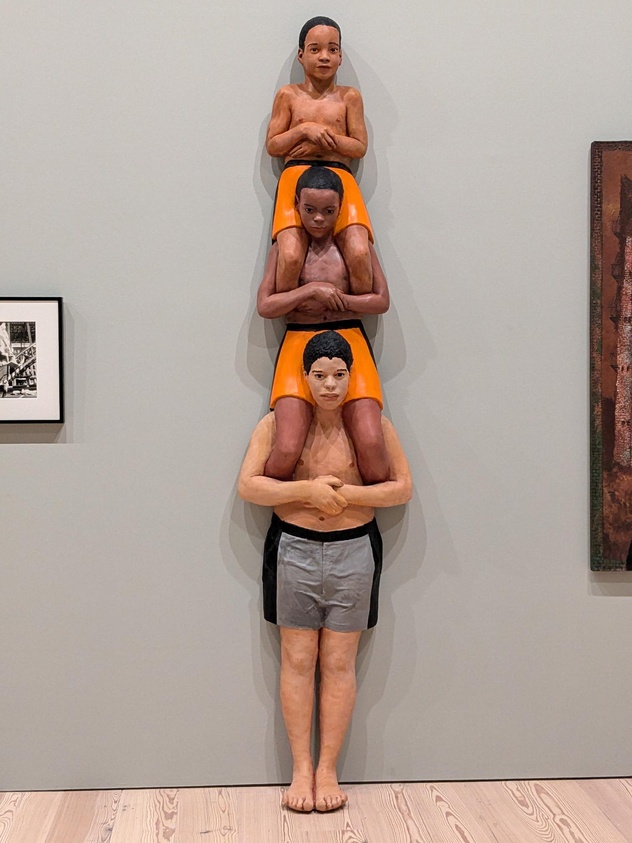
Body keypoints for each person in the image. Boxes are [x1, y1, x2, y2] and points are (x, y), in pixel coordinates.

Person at [238, 331, 412, 813]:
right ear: (305, 377)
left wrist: (347, 496)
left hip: (354, 549)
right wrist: (306, 492)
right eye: (320, 376)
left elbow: (401, 489)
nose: (331, 386)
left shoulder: (374, 427)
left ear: (353, 377)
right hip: (293, 548)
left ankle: (327, 767)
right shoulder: (275, 425)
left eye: (339, 376)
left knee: (338, 663)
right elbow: (249, 485)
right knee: (297, 660)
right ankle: (300, 768)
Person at [258, 166, 390, 484]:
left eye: (329, 211)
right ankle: (297, 508)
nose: (319, 219)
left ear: (341, 208)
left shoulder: (354, 248)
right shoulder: (284, 249)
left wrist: (341, 300)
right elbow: (266, 305)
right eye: (310, 210)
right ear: (296, 204)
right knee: (286, 448)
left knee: (373, 447)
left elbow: (381, 300)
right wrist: (310, 290)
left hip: (350, 336)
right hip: (299, 340)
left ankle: (351, 511)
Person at [267, 16, 373, 296]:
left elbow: (359, 147)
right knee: (289, 257)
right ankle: (297, 320)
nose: (324, 57)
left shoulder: (350, 97)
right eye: (315, 49)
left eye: (332, 49)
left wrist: (323, 141)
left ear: (340, 57)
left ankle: (350, 315)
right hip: (295, 179)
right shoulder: (288, 95)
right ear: (301, 55)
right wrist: (304, 129)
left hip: (341, 178)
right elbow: (274, 145)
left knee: (360, 254)